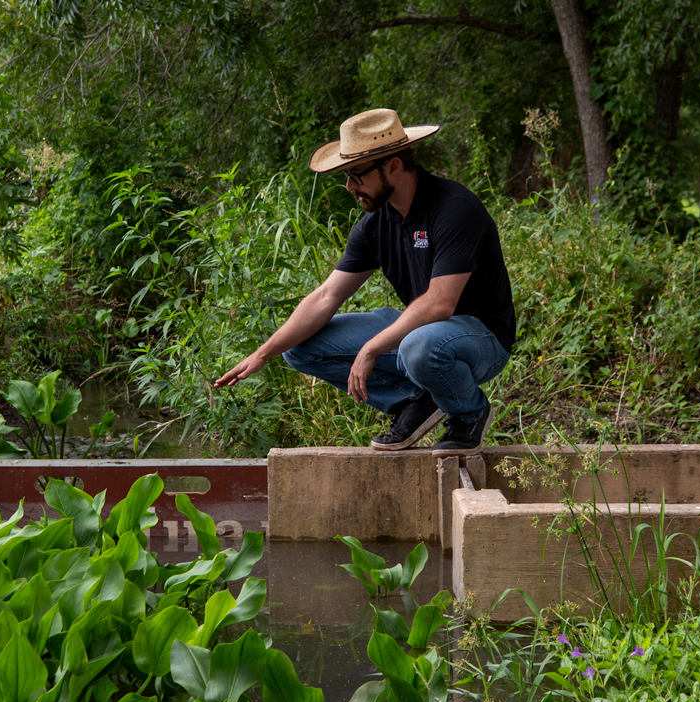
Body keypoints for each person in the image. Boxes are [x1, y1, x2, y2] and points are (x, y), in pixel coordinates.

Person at [215, 108, 515, 455]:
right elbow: (327, 295)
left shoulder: (454, 208)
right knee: (298, 347)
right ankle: (415, 402)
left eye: (356, 176)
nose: (349, 187)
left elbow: (439, 303)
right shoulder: (376, 225)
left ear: (393, 166)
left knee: (418, 346)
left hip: (481, 338)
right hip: (419, 333)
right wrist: (263, 353)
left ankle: (468, 413)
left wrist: (371, 348)